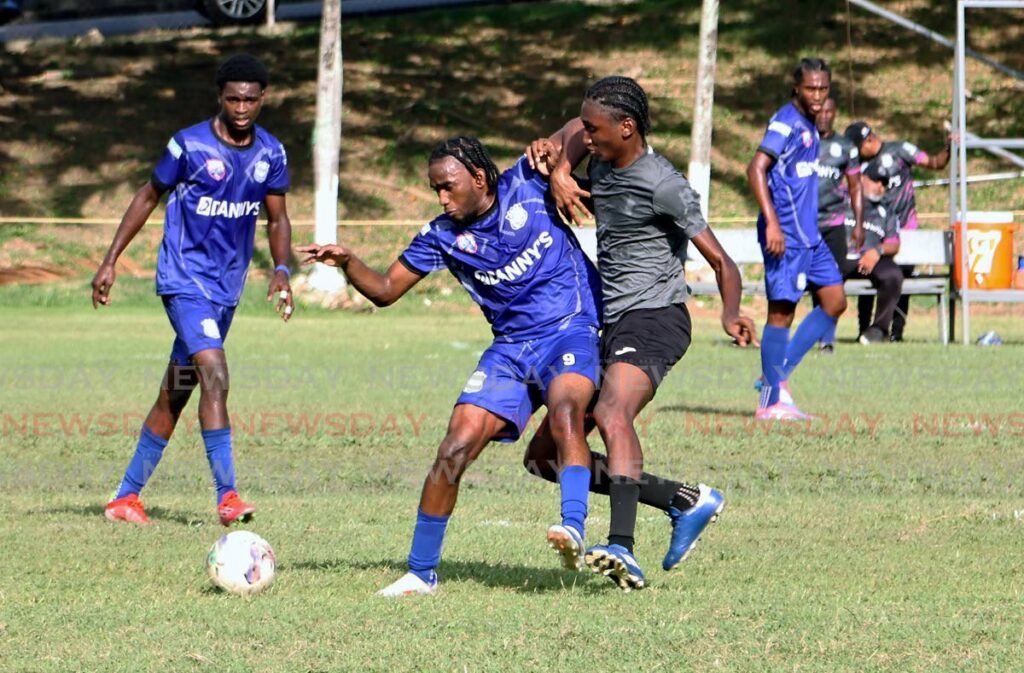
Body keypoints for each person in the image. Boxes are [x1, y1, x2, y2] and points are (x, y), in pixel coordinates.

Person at [299, 136, 603, 597]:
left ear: (479, 178)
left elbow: (585, 122)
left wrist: (561, 167)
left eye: (447, 186)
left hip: (572, 326)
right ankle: (421, 573)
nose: (441, 197)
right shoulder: (442, 235)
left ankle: (573, 525)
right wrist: (347, 262)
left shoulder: (527, 180)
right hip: (511, 348)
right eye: (435, 188)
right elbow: (384, 290)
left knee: (565, 413)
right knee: (454, 447)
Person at [523, 75, 757, 591]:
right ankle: (682, 500)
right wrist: (560, 166)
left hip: (656, 318)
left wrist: (731, 312)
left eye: (595, 127)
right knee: (544, 457)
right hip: (609, 321)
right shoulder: (599, 152)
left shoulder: (665, 185)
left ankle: (622, 547)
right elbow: (568, 134)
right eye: (585, 125)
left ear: (626, 128)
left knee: (611, 412)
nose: (586, 135)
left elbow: (721, 261)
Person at [93, 54, 293, 526]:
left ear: (263, 99)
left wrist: (282, 268)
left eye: (250, 99)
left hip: (226, 290)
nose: (241, 107)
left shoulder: (272, 154)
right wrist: (110, 259)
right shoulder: (189, 145)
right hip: (184, 280)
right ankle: (228, 497)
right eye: (233, 98)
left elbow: (278, 218)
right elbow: (148, 195)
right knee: (215, 371)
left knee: (176, 391)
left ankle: (125, 498)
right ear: (219, 98)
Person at [747, 58, 847, 421]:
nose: (818, 95)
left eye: (823, 88)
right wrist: (772, 224)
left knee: (835, 301)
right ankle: (771, 403)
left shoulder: (811, 124)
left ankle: (776, 376)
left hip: (810, 236)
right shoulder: (787, 122)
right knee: (782, 312)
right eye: (811, 88)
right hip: (785, 234)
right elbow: (756, 168)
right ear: (797, 89)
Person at [845, 121, 953, 341]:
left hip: (904, 230)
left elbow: (935, 163)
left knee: (900, 281)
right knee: (867, 274)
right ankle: (864, 329)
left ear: (868, 140)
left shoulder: (901, 150)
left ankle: (896, 332)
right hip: (874, 230)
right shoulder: (860, 165)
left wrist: (949, 148)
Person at [812, 96, 864, 352]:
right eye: (819, 110)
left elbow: (855, 187)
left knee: (832, 280)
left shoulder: (845, 147)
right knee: (807, 282)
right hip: (804, 225)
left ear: (835, 114)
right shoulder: (802, 141)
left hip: (834, 223)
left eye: (828, 111)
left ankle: (827, 340)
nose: (823, 115)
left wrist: (859, 224)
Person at [845, 161, 904, 342]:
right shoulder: (842, 202)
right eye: (876, 180)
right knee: (824, 273)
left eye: (884, 183)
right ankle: (824, 334)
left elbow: (894, 244)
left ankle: (878, 330)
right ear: (862, 179)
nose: (880, 187)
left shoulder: (886, 211)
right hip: (842, 257)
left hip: (872, 258)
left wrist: (876, 251)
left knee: (893, 274)